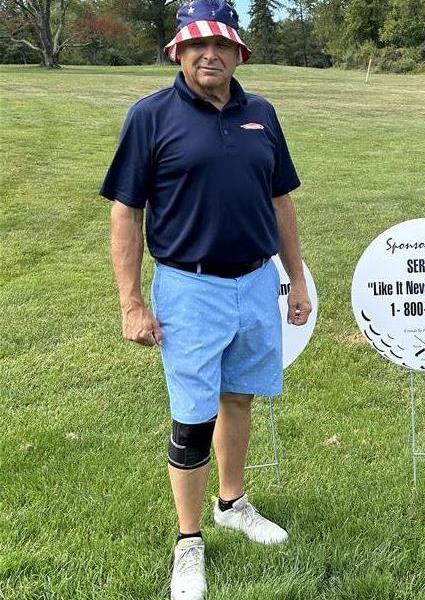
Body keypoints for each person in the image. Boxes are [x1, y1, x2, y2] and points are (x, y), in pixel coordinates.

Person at [100, 2, 312, 598]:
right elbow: (126, 211)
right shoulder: (151, 116)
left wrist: (295, 279)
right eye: (195, 46)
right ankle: (189, 542)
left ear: (239, 52)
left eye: (219, 45)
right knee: (193, 417)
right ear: (178, 52)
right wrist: (131, 302)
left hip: (253, 281)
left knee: (238, 397)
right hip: (188, 287)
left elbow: (280, 203)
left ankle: (232, 502)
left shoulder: (261, 114)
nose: (208, 55)